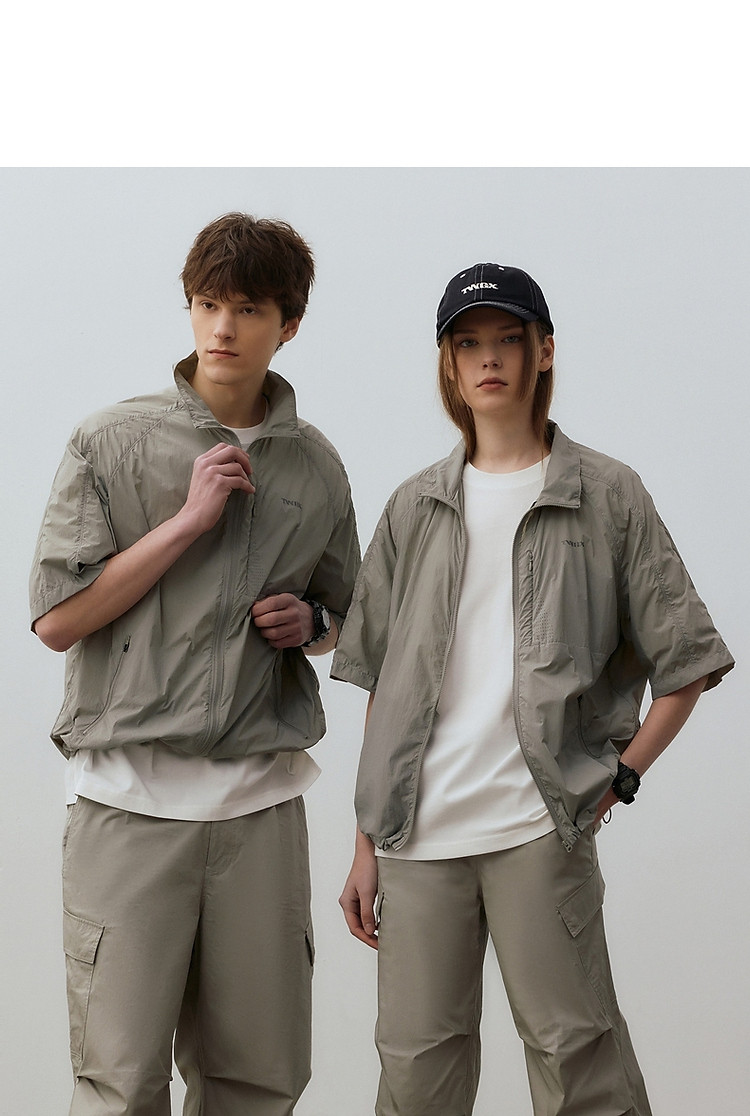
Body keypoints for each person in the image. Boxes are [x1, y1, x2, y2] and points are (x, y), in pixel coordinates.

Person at [332, 262, 733, 1115]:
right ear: (449, 364)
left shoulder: (607, 494)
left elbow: (688, 662)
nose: (489, 359)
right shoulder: (413, 507)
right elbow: (386, 688)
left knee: (579, 1061)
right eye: (468, 344)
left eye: (508, 339)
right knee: (415, 1077)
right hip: (415, 839)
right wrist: (366, 844)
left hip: (538, 829)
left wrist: (621, 778)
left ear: (543, 350)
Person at [29, 212, 360, 1116]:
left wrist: (312, 621)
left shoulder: (317, 468)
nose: (223, 329)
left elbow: (348, 617)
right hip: (127, 805)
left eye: (248, 310)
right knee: (120, 1084)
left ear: (288, 324)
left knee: (259, 1081)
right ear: (189, 308)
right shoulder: (109, 442)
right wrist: (187, 522)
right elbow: (56, 619)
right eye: (208, 304)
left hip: (259, 810)